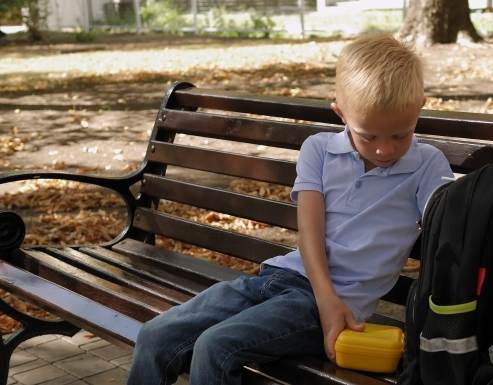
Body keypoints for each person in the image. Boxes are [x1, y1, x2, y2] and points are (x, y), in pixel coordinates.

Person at [127, 33, 453, 385]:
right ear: (341, 113)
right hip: (278, 279)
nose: (384, 151)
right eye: (368, 136)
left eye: (400, 135)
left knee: (215, 347)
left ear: (419, 107)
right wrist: (322, 294)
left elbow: (452, 220)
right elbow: (309, 233)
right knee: (155, 335)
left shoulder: (427, 165)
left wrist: (328, 303)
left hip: (332, 307)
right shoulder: (319, 150)